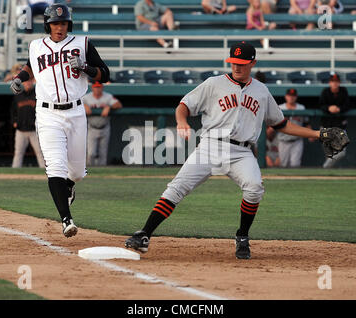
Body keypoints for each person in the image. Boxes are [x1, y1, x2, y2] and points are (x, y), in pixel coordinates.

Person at [125, 41, 321, 260]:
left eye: (242, 63)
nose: (237, 67)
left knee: (254, 188)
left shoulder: (261, 91)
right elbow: (184, 106)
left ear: (253, 63)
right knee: (177, 187)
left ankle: (242, 236)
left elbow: (281, 124)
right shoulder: (213, 84)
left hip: (242, 151)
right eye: (233, 62)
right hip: (210, 146)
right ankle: (144, 234)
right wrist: (182, 122)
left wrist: (316, 134)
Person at [10, 3, 110, 237]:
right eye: (55, 23)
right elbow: (31, 66)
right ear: (47, 24)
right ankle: (67, 220)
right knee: (54, 165)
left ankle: (69, 186)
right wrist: (19, 78)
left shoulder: (82, 44)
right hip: (47, 114)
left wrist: (86, 67)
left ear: (69, 24)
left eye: (63, 23)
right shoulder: (36, 46)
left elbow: (105, 74)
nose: (59, 27)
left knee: (76, 172)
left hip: (75, 112)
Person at [83, 82, 122, 166]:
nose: (97, 89)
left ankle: (102, 172)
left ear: (102, 88)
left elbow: (118, 105)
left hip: (105, 127)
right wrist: (84, 106)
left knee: (102, 154)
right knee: (91, 153)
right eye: (96, 87)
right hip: (92, 127)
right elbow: (76, 104)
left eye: (99, 87)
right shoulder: (86, 97)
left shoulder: (107, 96)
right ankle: (89, 172)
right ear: (92, 88)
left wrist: (109, 106)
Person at [11, 79, 44, 168]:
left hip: (34, 130)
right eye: (26, 82)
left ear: (32, 82)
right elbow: (13, 110)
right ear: (23, 83)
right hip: (21, 130)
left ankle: (45, 171)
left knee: (40, 152)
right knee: (18, 152)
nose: (28, 84)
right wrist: (14, 121)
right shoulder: (18, 95)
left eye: (29, 82)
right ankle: (14, 172)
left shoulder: (37, 95)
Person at [319, 73, 350, 168]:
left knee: (341, 152)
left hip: (340, 127)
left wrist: (339, 109)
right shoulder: (325, 92)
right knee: (329, 152)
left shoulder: (343, 91)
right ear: (330, 83)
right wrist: (329, 108)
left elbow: (348, 105)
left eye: (336, 82)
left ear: (339, 83)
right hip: (326, 126)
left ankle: (325, 167)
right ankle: (327, 176)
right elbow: (320, 105)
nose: (335, 83)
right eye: (333, 81)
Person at [278, 88, 312, 168]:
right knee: (283, 165)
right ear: (286, 96)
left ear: (296, 97)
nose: (291, 97)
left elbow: (307, 123)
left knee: (295, 165)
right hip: (283, 141)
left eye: (293, 96)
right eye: (289, 95)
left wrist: (311, 135)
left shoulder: (301, 108)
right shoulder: (280, 108)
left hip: (297, 141)